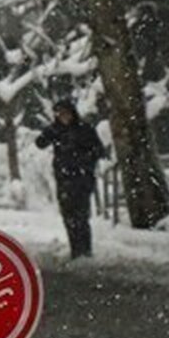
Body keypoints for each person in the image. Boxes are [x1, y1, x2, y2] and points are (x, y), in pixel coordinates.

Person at [35, 99, 108, 259]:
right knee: (68, 215)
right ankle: (76, 249)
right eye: (60, 114)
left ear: (72, 113)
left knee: (81, 215)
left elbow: (99, 150)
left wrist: (83, 160)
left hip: (82, 178)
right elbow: (40, 143)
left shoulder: (85, 130)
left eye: (66, 113)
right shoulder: (56, 131)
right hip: (63, 178)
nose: (63, 117)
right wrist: (51, 131)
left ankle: (85, 249)